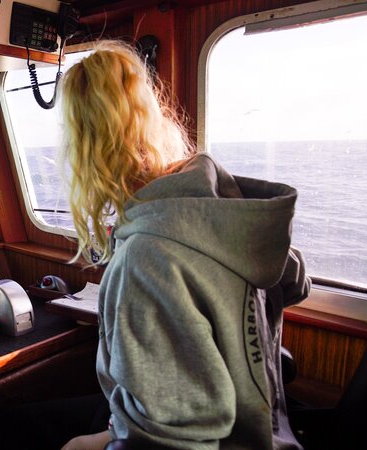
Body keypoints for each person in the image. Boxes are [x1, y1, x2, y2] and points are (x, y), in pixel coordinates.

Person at [59, 41, 311, 449]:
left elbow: (170, 441)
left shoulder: (145, 258)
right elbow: (295, 279)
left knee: (18, 429)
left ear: (85, 148)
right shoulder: (220, 206)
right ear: (153, 119)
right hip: (268, 430)